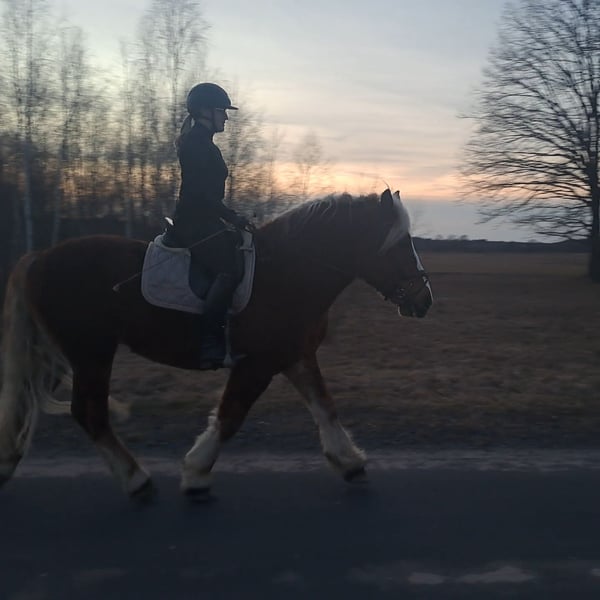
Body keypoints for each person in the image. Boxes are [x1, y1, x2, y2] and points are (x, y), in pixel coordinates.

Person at [168, 82, 252, 368]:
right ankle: (210, 344)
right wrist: (232, 217)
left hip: (205, 219)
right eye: (221, 111)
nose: (226, 117)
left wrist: (230, 218)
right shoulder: (195, 144)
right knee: (229, 269)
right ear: (204, 111)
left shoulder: (204, 143)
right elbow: (201, 195)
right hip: (193, 223)